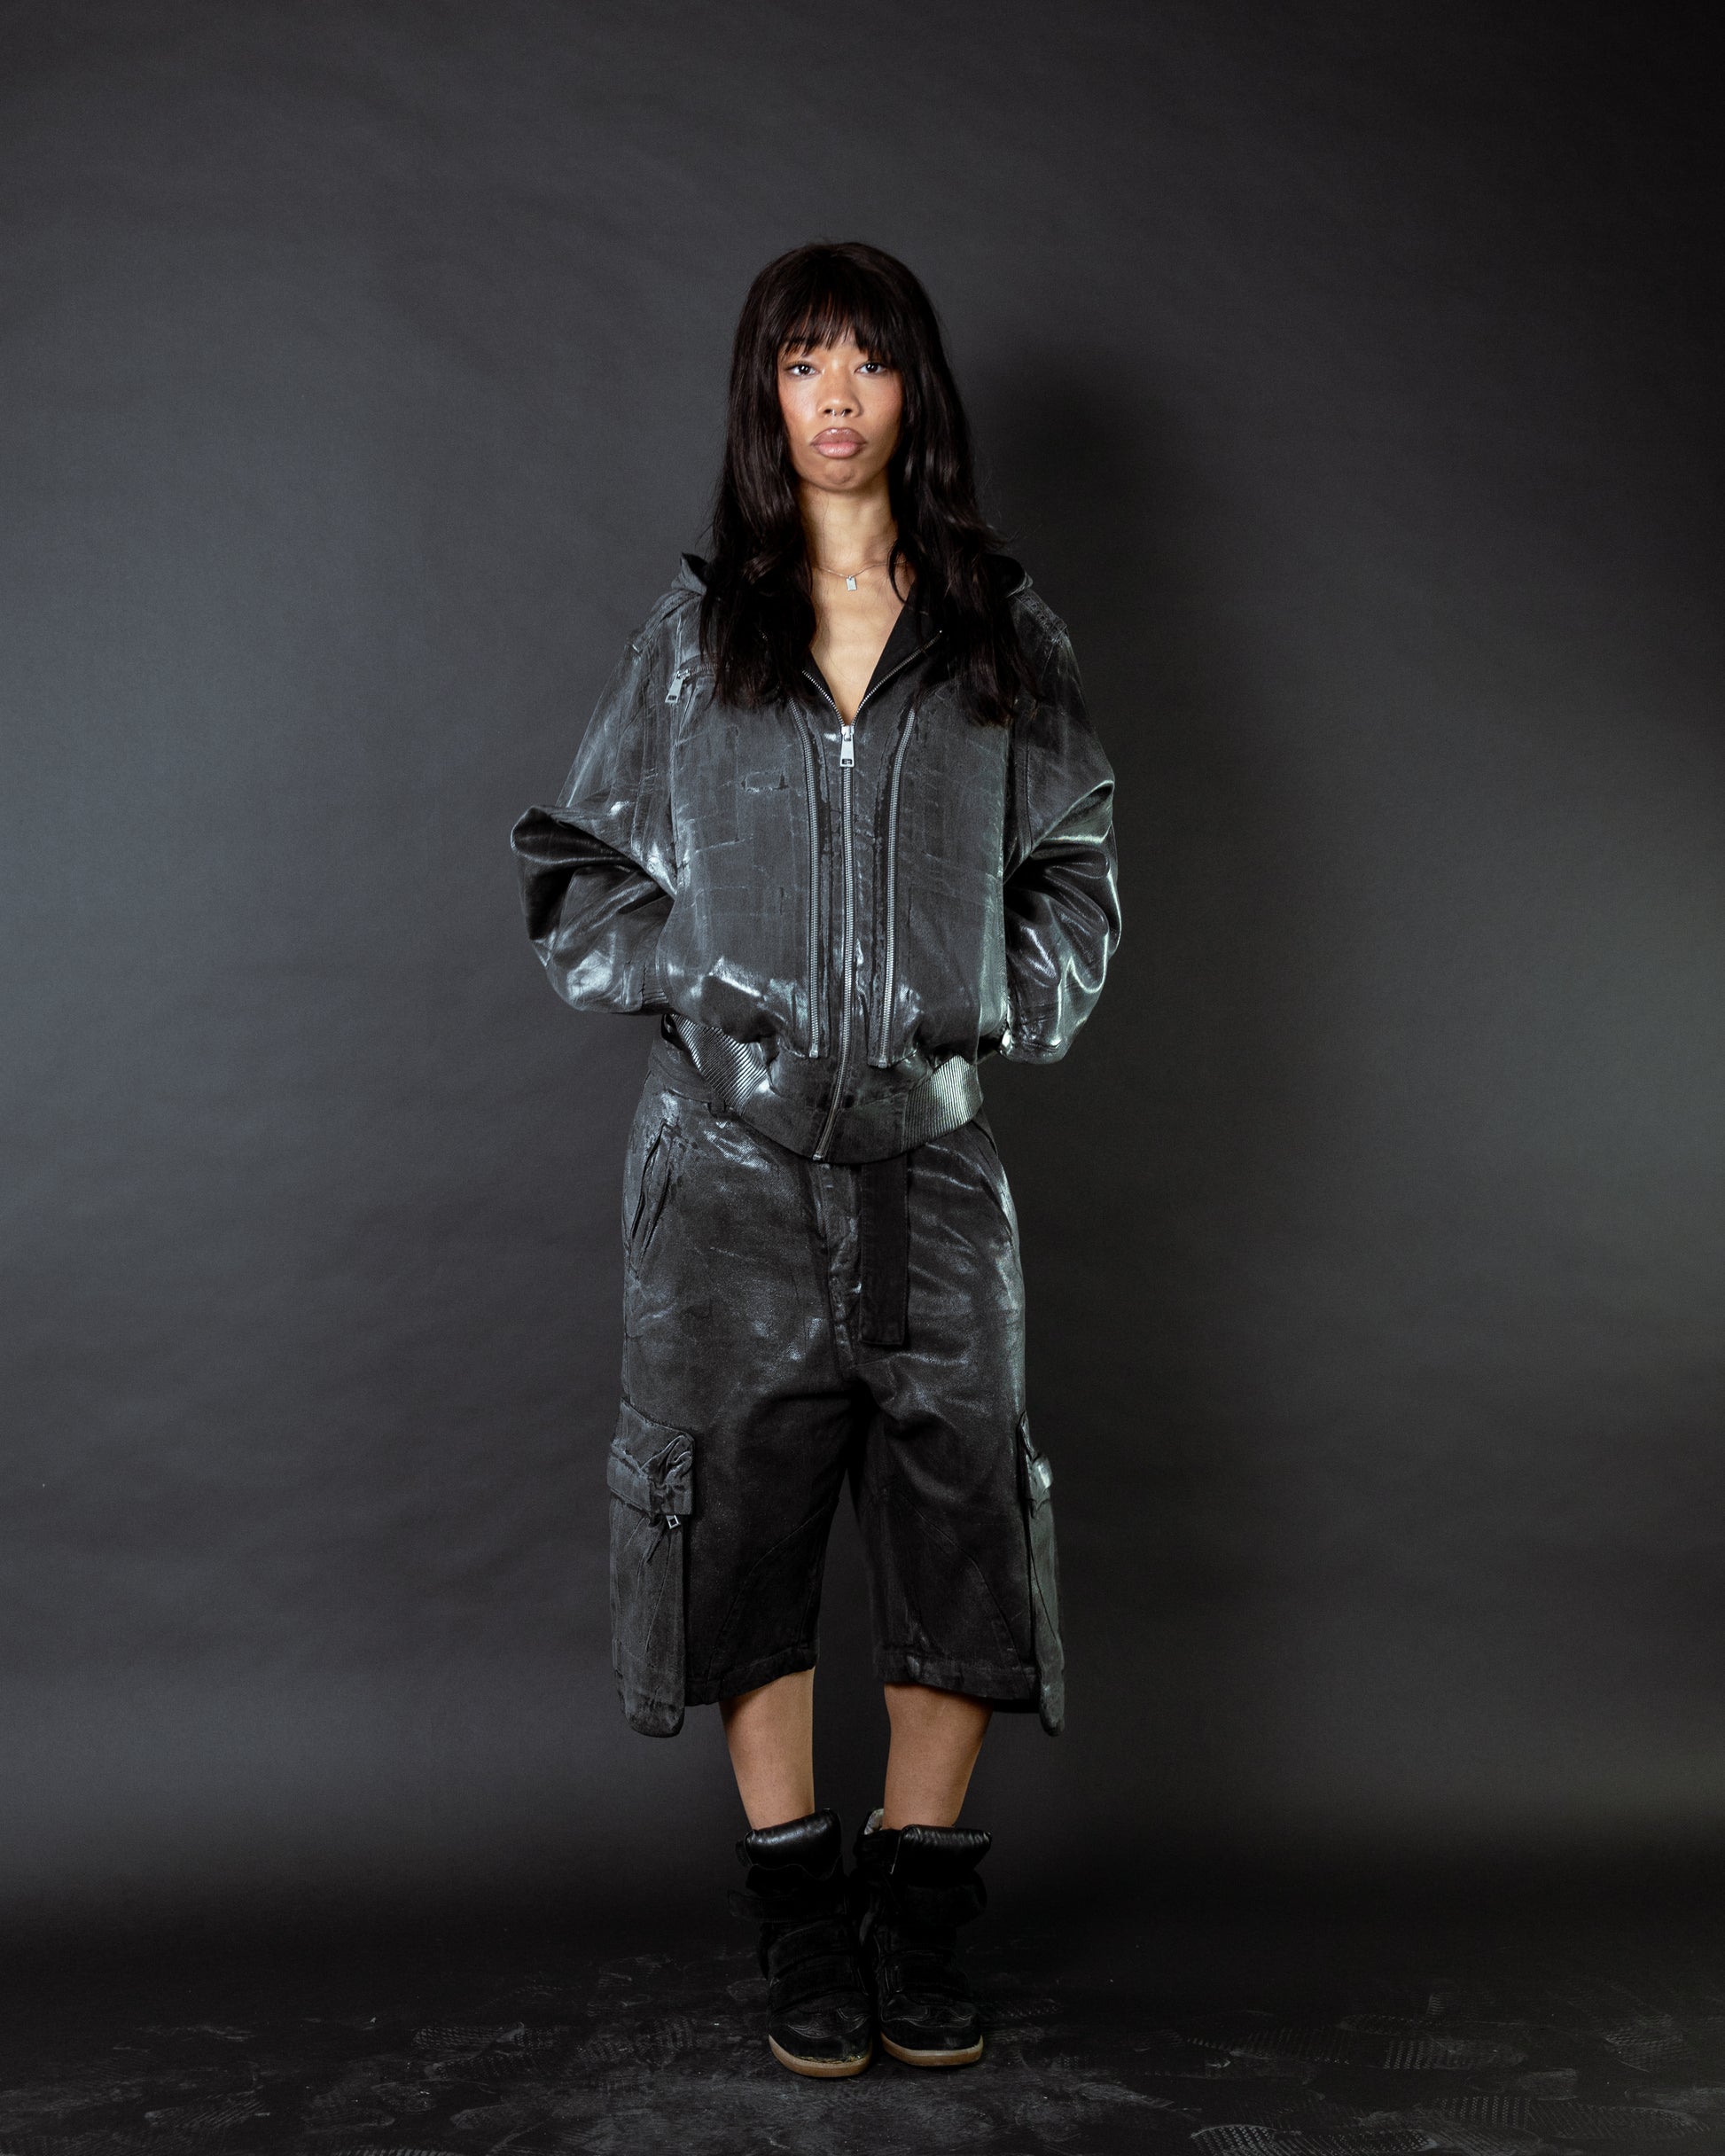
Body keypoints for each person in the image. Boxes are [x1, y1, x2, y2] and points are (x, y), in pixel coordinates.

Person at [511, 241, 1120, 2078]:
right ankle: (796, 1908)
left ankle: (918, 1901)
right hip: (725, 1178)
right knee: (739, 1526)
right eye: (800, 361)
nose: (835, 394)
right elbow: (576, 875)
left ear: (912, 390)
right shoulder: (698, 639)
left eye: (865, 359)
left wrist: (983, 1008)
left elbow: (1074, 874)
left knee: (959, 1523)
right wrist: (701, 984)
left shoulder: (1000, 636)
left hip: (931, 1175)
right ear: (763, 396)